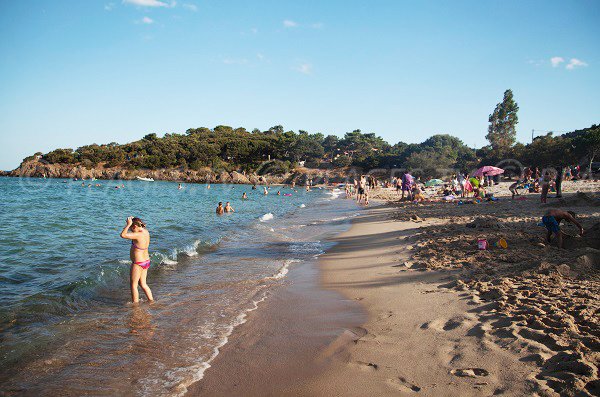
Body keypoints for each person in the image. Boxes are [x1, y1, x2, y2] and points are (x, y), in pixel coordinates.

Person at [120, 217, 154, 303]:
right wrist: (134, 221)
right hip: (146, 261)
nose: (131, 230)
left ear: (134, 226)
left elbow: (123, 235)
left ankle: (135, 306)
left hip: (138, 263)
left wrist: (128, 224)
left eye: (131, 228)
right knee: (143, 284)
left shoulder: (137, 235)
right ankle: (151, 301)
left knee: (133, 285)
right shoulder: (145, 232)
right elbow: (141, 225)